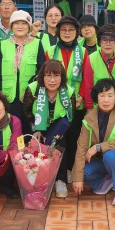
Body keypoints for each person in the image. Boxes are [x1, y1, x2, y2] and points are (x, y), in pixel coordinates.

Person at [22, 60, 84, 198]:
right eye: (48, 75)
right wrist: (36, 129)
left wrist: (58, 134)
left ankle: (60, 180)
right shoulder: (33, 89)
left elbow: (71, 116)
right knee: (36, 145)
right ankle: (39, 178)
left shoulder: (69, 92)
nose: (52, 80)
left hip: (59, 126)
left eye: (56, 76)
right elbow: (26, 111)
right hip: (38, 125)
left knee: (60, 144)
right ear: (42, 76)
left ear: (62, 77)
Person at [71, 79, 115, 206]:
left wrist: (98, 147)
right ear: (96, 97)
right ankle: (108, 179)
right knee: (82, 173)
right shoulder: (88, 118)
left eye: (110, 96)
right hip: (103, 161)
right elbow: (81, 148)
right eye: (102, 95)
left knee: (110, 155)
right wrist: (77, 179)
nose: (106, 100)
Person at [0, 10, 45, 124]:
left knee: (28, 127)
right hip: (7, 96)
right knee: (10, 126)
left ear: (29, 27)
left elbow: (41, 70)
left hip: (29, 96)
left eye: (24, 23)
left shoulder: (37, 44)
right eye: (16, 23)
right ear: (11, 27)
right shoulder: (3, 45)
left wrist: (31, 89)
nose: (20, 26)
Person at [45, 15, 94, 109]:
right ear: (59, 31)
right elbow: (46, 76)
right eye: (63, 30)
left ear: (76, 31)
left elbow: (86, 77)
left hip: (77, 100)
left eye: (71, 30)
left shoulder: (83, 51)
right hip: (55, 99)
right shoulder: (50, 51)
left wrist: (82, 95)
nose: (67, 33)